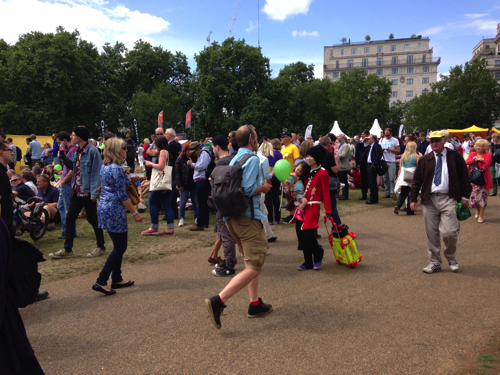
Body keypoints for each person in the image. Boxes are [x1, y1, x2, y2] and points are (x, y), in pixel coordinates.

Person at [205, 125, 272, 330]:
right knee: (255, 264)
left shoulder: (233, 159)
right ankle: (219, 300)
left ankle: (254, 303)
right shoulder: (251, 159)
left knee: (251, 262)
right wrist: (265, 187)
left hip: (230, 218)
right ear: (252, 140)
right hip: (247, 219)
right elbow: (250, 189)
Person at [409, 131, 472, 274]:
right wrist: (413, 198)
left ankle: (451, 257)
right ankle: (435, 262)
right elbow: (417, 180)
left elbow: (464, 178)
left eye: (437, 140)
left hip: (449, 198)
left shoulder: (455, 156)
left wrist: (465, 197)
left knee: (450, 231)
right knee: (431, 233)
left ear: (444, 140)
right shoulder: (425, 159)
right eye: (432, 141)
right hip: (429, 199)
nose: (434, 143)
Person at [92, 138, 143, 295]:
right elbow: (122, 195)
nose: (125, 150)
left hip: (104, 207)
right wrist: (135, 213)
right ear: (116, 150)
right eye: (123, 148)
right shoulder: (118, 169)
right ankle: (102, 280)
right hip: (115, 209)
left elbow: (114, 186)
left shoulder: (105, 167)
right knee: (120, 247)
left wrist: (129, 180)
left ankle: (117, 277)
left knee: (117, 245)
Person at [49, 126, 105, 259]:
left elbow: (96, 174)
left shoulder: (93, 151)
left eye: (73, 135)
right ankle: (68, 249)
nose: (71, 137)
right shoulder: (77, 151)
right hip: (76, 190)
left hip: (86, 192)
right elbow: (71, 166)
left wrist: (94, 194)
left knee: (93, 219)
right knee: (69, 218)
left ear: (80, 137)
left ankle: (101, 247)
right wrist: (63, 157)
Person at [296, 145, 332, 270]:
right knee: (302, 236)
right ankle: (308, 262)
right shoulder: (305, 171)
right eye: (307, 156)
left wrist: (328, 210)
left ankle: (318, 253)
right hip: (302, 205)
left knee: (308, 234)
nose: (309, 159)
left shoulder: (323, 172)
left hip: (314, 205)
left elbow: (326, 192)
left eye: (311, 156)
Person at [210, 135, 237, 276]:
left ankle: (229, 264)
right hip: (235, 200)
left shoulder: (221, 163)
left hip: (223, 202)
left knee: (226, 234)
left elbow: (218, 186)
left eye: (213, 147)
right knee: (232, 233)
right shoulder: (235, 159)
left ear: (217, 147)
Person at [143, 135, 175, 235]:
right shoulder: (167, 152)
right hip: (170, 181)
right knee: (166, 204)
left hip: (162, 181)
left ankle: (154, 226)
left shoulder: (162, 152)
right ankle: (170, 228)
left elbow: (161, 166)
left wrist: (150, 164)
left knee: (152, 201)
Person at [465, 139, 492, 223]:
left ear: (484, 147)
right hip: (473, 179)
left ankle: (481, 215)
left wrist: (481, 170)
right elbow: (467, 161)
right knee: (473, 199)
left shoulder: (487, 155)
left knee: (482, 198)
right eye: (477, 146)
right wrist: (476, 160)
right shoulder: (473, 154)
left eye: (480, 146)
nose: (478, 147)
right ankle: (477, 210)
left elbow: (487, 163)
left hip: (483, 180)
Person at [187, 141, 212, 231]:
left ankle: (200, 223)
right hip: (201, 179)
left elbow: (202, 166)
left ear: (198, 149)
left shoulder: (204, 154)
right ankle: (205, 222)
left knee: (201, 202)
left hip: (201, 180)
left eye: (194, 152)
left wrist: (192, 164)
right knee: (203, 202)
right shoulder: (203, 154)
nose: (194, 154)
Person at [175, 141, 199, 227]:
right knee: (183, 201)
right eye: (188, 150)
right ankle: (181, 218)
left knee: (195, 201)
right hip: (184, 184)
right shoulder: (180, 159)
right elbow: (177, 172)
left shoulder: (196, 158)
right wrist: (180, 184)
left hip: (193, 183)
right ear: (185, 150)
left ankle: (197, 217)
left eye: (191, 150)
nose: (189, 152)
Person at [257, 142, 276, 243]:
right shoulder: (264, 159)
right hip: (261, 187)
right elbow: (266, 175)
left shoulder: (255, 157)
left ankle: (269, 235)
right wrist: (273, 172)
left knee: (264, 212)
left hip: (257, 186)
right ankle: (265, 236)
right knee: (262, 213)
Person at [319, 136, 341, 225]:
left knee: (316, 206)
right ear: (328, 144)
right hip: (328, 182)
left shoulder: (315, 154)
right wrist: (337, 161)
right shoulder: (328, 154)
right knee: (332, 207)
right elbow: (335, 169)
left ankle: (314, 231)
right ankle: (338, 226)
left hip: (318, 181)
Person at [394, 141, 420, 216]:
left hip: (404, 176)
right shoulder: (416, 156)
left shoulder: (403, 156)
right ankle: (410, 211)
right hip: (413, 176)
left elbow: (400, 168)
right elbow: (419, 167)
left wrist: (398, 177)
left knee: (403, 192)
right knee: (411, 194)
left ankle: (398, 205)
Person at [265, 138, 283, 225]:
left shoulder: (269, 153)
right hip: (277, 176)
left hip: (269, 176)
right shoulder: (280, 154)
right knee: (276, 198)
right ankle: (278, 218)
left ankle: (270, 219)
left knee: (268, 198)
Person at [380, 128, 400, 200]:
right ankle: (387, 192)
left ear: (391, 133)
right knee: (385, 178)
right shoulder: (382, 140)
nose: (387, 136)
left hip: (391, 161)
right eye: (386, 135)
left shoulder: (395, 140)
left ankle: (393, 193)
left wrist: (390, 150)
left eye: (388, 135)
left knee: (392, 178)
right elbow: (378, 149)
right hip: (383, 161)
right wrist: (381, 150)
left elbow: (398, 150)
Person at [0, 140, 15, 234]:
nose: (12, 153)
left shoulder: (3, 172)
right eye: (10, 150)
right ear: (1, 152)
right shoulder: (0, 173)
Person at [365, 135, 383, 205]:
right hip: (369, 165)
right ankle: (374, 198)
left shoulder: (376, 146)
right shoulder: (370, 146)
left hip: (372, 165)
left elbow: (379, 154)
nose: (367, 140)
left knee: (372, 182)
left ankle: (373, 199)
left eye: (369, 139)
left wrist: (374, 163)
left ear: (373, 140)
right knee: (371, 182)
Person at [355, 129, 370, 200]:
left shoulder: (371, 143)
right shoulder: (359, 143)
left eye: (363, 134)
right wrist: (357, 163)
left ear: (367, 135)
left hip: (370, 163)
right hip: (362, 163)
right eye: (361, 134)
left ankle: (372, 193)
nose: (362, 136)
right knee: (363, 179)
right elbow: (357, 153)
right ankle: (364, 194)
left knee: (370, 179)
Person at [336, 134, 351, 200]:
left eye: (340, 138)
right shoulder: (340, 145)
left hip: (343, 166)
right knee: (341, 181)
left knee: (344, 181)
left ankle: (345, 195)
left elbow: (343, 155)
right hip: (339, 165)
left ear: (344, 138)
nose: (339, 139)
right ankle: (342, 194)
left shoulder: (345, 146)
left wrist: (335, 156)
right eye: (338, 138)